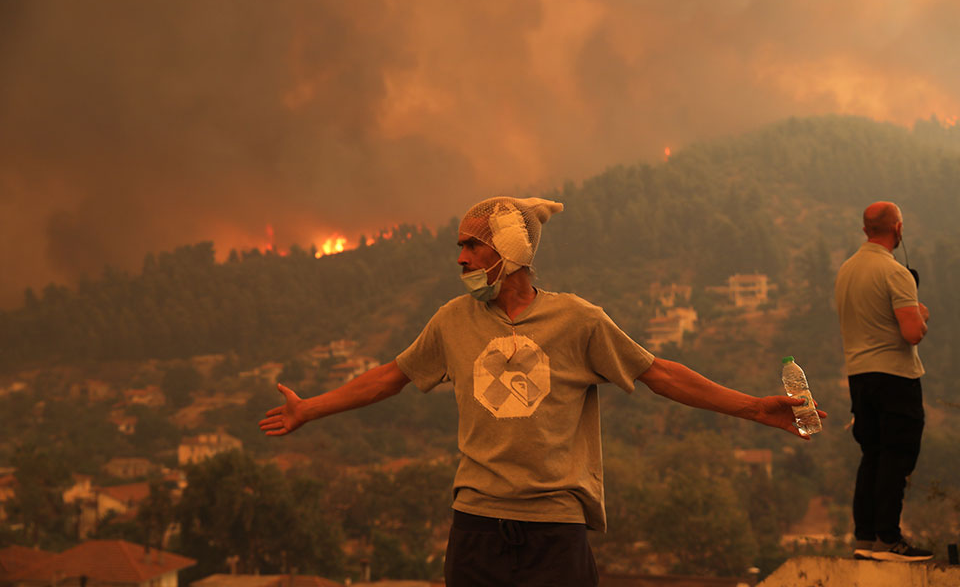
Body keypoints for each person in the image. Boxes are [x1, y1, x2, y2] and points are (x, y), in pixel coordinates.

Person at [260, 196, 826, 586]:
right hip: (475, 527)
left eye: (472, 246)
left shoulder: (578, 321)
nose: (459, 258)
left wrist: (756, 408)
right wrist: (310, 408)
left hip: (555, 530)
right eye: (458, 247)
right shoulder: (451, 321)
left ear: (509, 251)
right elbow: (390, 376)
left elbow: (661, 374)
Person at [835, 201, 932, 562]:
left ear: (866, 230)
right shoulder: (894, 273)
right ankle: (890, 540)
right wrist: (921, 316)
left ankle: (866, 537)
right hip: (895, 377)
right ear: (898, 228)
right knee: (898, 453)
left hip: (859, 377)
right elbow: (911, 333)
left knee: (872, 455)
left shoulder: (846, 270)